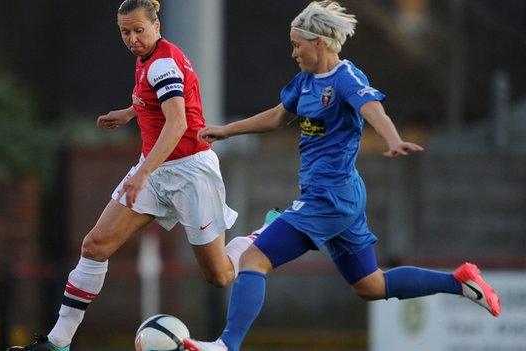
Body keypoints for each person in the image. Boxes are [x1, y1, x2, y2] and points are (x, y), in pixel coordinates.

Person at [182, 2, 502, 350]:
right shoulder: (305, 81)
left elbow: (371, 108)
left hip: (329, 198)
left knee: (252, 259)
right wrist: (227, 131)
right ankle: (460, 283)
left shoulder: (346, 77)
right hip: (339, 197)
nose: (293, 52)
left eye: (297, 44)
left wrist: (392, 139)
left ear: (318, 42)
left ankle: (227, 344)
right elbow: (277, 116)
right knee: (371, 286)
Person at [8, 1, 255, 350]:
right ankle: (58, 342)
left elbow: (178, 123)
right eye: (126, 32)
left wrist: (142, 174)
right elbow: (157, 103)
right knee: (95, 246)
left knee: (219, 276)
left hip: (189, 173)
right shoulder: (150, 60)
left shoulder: (163, 65)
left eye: (140, 30)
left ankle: (259, 237)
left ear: (157, 25)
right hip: (155, 169)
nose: (133, 38)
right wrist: (130, 113)